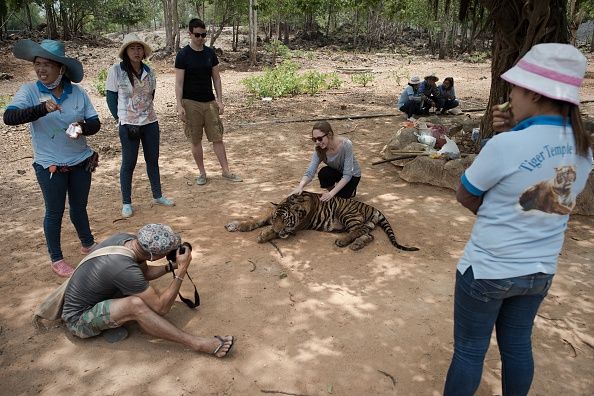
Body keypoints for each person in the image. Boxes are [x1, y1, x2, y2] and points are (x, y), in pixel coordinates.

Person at [444, 43, 592, 396]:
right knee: (517, 346)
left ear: (534, 94)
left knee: (469, 351)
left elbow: (466, 193)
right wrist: (514, 130)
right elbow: (551, 198)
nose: (509, 94)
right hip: (539, 271)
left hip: (488, 269)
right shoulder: (583, 149)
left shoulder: (505, 145)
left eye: (514, 87)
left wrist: (507, 137)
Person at [3, 39, 101, 277]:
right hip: (50, 165)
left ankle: (87, 244)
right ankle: (56, 258)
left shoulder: (77, 92)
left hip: (81, 161)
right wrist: (41, 109)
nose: (41, 69)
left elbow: (95, 123)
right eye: (38, 64)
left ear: (62, 69)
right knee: (54, 211)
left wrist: (81, 127)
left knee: (79, 207)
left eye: (47, 64)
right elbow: (9, 117)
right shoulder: (30, 91)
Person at [61, 223, 235, 357]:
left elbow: (143, 273)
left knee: (146, 292)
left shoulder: (129, 241)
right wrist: (181, 270)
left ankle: (114, 321)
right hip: (78, 320)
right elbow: (161, 308)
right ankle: (196, 343)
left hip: (96, 298)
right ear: (154, 256)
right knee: (136, 304)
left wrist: (171, 266)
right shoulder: (123, 268)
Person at [106, 33, 175, 218]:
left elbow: (150, 96)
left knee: (153, 160)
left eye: (139, 48)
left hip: (150, 122)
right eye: (132, 48)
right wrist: (121, 119)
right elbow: (111, 99)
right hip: (128, 125)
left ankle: (158, 195)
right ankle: (127, 202)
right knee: (129, 163)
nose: (136, 52)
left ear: (144, 52)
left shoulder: (149, 72)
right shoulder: (116, 71)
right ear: (125, 52)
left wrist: (143, 114)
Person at [175, 18, 242, 186]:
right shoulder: (182, 55)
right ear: (189, 34)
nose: (200, 38)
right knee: (195, 140)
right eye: (197, 35)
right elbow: (179, 83)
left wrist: (220, 100)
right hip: (190, 103)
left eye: (203, 35)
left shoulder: (210, 53)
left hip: (209, 102)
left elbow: (217, 79)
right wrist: (179, 104)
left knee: (217, 137)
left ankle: (226, 171)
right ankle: (202, 173)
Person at [291, 121, 361, 201]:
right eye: (314, 139)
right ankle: (336, 193)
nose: (317, 142)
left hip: (352, 175)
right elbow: (310, 172)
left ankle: (349, 191)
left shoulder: (346, 144)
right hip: (338, 171)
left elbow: (347, 175)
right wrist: (300, 186)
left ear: (329, 134)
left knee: (341, 199)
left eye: (320, 139)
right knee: (324, 174)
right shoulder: (319, 150)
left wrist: (331, 194)